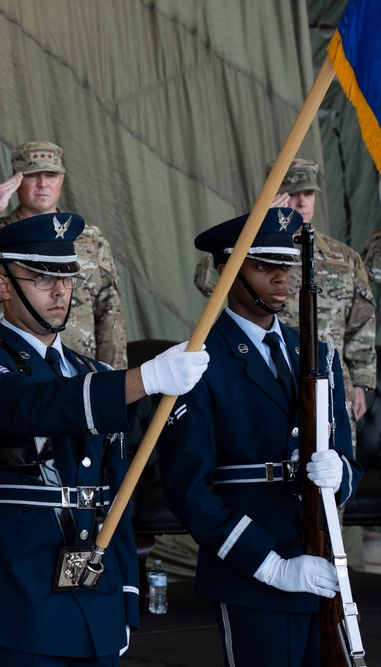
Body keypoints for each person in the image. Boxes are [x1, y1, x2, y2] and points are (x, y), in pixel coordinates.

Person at [0, 213, 209, 665]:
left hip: (95, 596)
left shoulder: (93, 373)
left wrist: (124, 599)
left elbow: (116, 495)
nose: (61, 290)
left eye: (66, 275)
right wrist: (142, 379)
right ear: (3, 285)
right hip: (14, 591)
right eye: (42, 277)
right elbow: (27, 406)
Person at [162, 209, 363, 665]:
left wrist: (340, 474)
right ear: (226, 270)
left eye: (286, 265)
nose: (280, 277)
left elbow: (348, 461)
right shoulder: (197, 361)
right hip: (250, 569)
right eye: (261, 265)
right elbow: (189, 491)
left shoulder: (319, 355)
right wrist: (269, 564)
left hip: (322, 562)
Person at [194, 158, 376, 426]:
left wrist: (362, 383)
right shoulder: (248, 247)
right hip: (266, 383)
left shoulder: (345, 258)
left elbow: (362, 323)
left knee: (334, 464)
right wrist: (255, 224)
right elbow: (207, 281)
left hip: (331, 389)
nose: (302, 202)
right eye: (292, 194)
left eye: (309, 194)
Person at [0, 141, 127, 368]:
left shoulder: (89, 237)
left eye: (51, 175)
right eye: (32, 175)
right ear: (15, 180)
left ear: (61, 179)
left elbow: (110, 311)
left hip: (78, 368)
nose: (42, 184)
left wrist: (115, 381)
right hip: (14, 365)